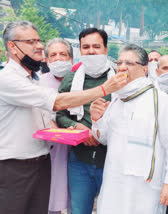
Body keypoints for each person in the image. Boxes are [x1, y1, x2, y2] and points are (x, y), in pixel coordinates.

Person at [0, 21, 126, 214]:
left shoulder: (32, 79)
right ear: (12, 47)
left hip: (42, 161)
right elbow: (58, 104)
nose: (40, 46)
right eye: (31, 41)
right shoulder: (8, 80)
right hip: (16, 166)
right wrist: (103, 90)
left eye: (39, 40)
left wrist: (69, 129)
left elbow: (47, 118)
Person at [90, 44, 168, 214]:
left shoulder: (159, 100)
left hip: (144, 186)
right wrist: (97, 120)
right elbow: (103, 138)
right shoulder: (117, 98)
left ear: (144, 69)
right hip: (114, 181)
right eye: (119, 63)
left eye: (130, 63)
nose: (123, 67)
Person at [56, 27, 115, 214]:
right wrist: (76, 126)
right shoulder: (71, 79)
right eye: (86, 47)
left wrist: (100, 132)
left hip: (112, 160)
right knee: (79, 210)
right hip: (79, 160)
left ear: (106, 49)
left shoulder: (119, 80)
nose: (91, 51)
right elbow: (59, 114)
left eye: (96, 46)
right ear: (80, 50)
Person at [40, 38, 74, 214]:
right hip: (50, 150)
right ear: (46, 60)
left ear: (71, 59)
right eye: (53, 55)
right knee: (49, 197)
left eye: (63, 54)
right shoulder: (39, 83)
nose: (59, 59)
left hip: (76, 152)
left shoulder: (80, 82)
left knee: (75, 198)